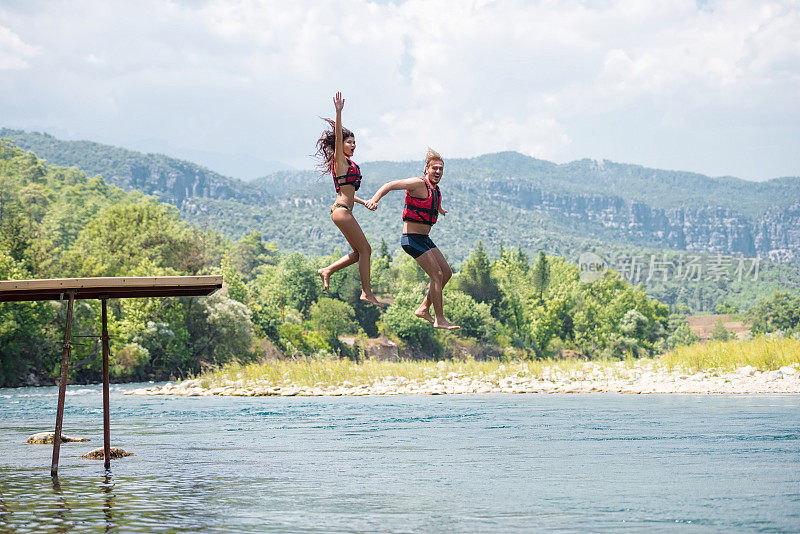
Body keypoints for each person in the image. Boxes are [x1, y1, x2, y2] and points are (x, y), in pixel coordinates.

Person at [366, 148, 460, 330]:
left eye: (441, 169)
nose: (438, 172)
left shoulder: (435, 189)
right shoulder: (417, 183)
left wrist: (438, 209)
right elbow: (390, 185)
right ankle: (439, 319)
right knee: (437, 275)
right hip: (412, 239)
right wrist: (374, 199)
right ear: (426, 169)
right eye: (435, 168)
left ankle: (424, 308)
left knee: (446, 273)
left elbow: (429, 202)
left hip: (425, 239)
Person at [314, 92, 383, 307]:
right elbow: (337, 136)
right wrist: (338, 112)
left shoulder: (350, 166)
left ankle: (328, 270)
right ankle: (366, 292)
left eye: (355, 142)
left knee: (357, 253)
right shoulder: (340, 161)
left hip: (344, 209)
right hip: (341, 211)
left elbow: (349, 194)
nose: (353, 145)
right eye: (349, 142)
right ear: (340, 145)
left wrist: (365, 202)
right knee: (366, 250)